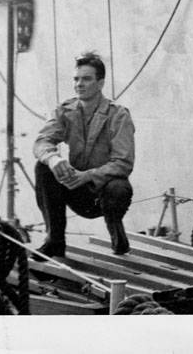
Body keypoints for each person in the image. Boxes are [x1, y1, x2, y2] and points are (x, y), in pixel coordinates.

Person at [33, 53, 135, 258]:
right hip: (77, 189)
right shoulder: (65, 110)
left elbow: (123, 163)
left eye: (86, 79)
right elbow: (41, 141)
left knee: (119, 187)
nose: (79, 84)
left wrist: (87, 175)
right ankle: (55, 241)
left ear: (100, 83)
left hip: (103, 192)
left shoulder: (118, 115)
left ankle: (116, 230)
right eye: (76, 79)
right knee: (43, 167)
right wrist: (54, 159)